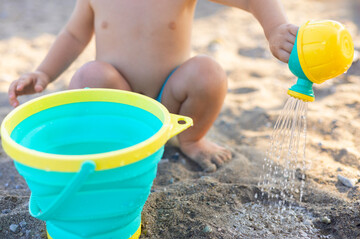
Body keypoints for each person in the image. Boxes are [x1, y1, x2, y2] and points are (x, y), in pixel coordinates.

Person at [8, 0, 298, 172]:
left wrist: (275, 29)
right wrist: (43, 73)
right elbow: (73, 34)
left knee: (208, 72)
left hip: (170, 103)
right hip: (121, 102)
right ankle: (116, 144)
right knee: (89, 77)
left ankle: (191, 139)